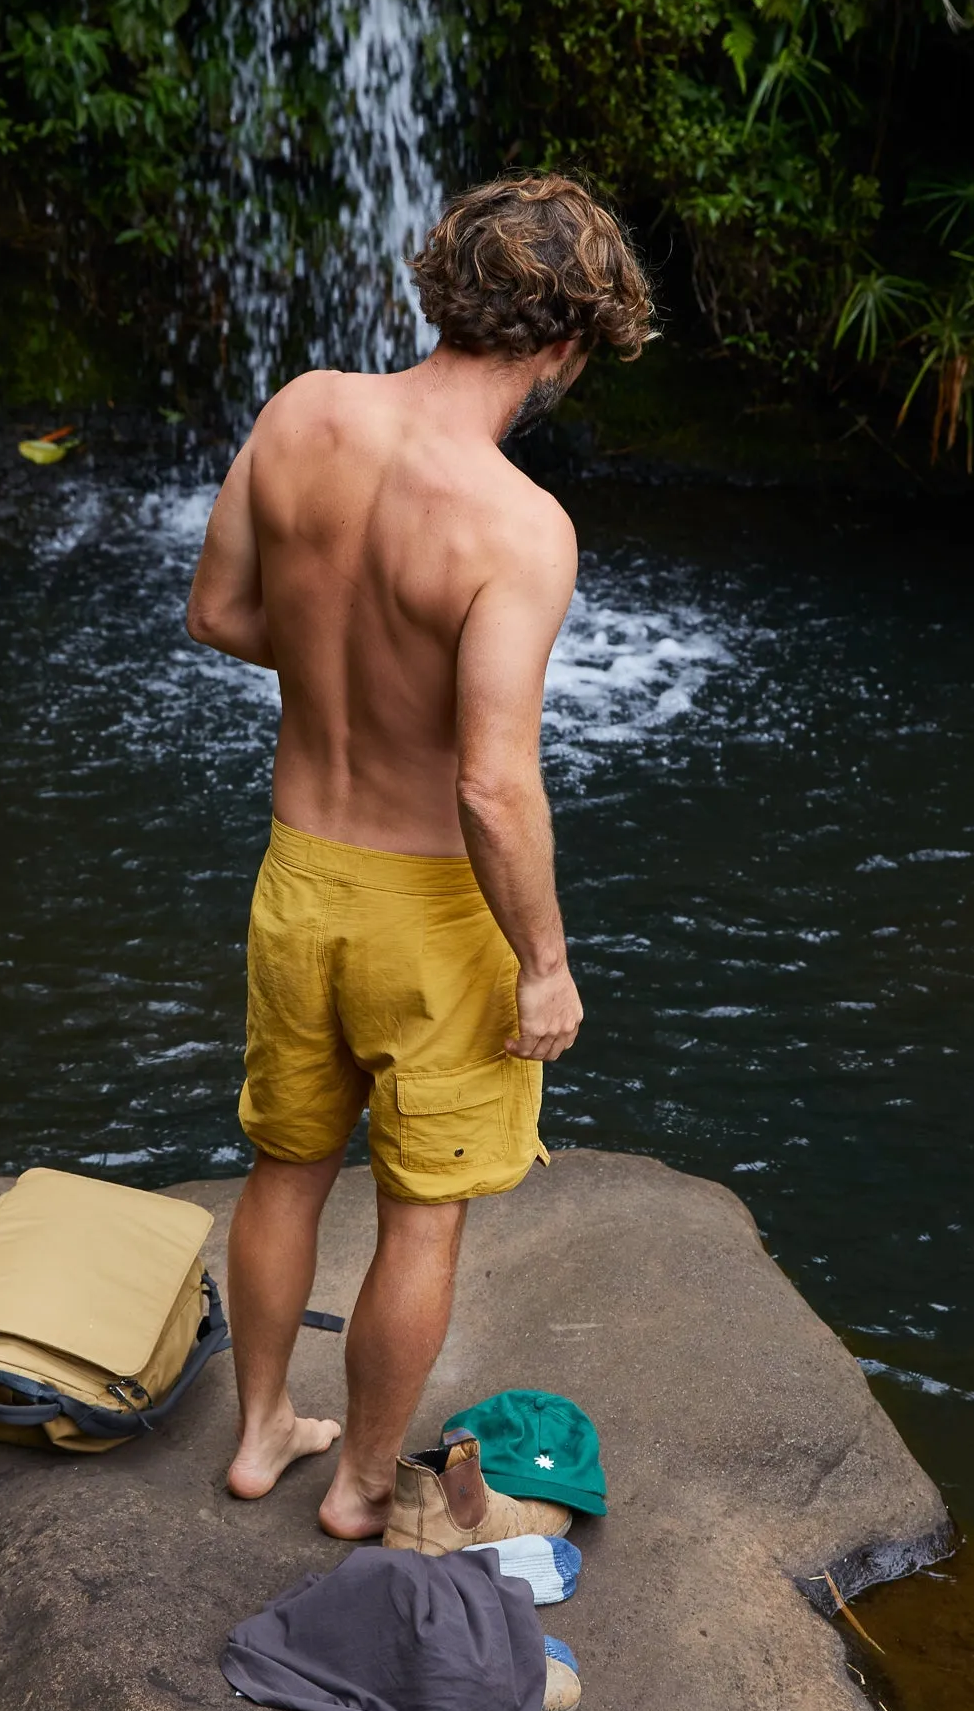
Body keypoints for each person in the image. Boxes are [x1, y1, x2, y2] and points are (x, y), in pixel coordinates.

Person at [186, 174, 653, 1539]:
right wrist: (547, 966)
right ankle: (359, 1486)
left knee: (280, 1169)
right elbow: (493, 787)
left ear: (443, 286)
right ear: (564, 345)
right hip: (431, 919)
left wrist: (343, 659)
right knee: (421, 1216)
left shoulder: (302, 412)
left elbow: (219, 613)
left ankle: (261, 1432)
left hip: (299, 880)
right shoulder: (518, 529)